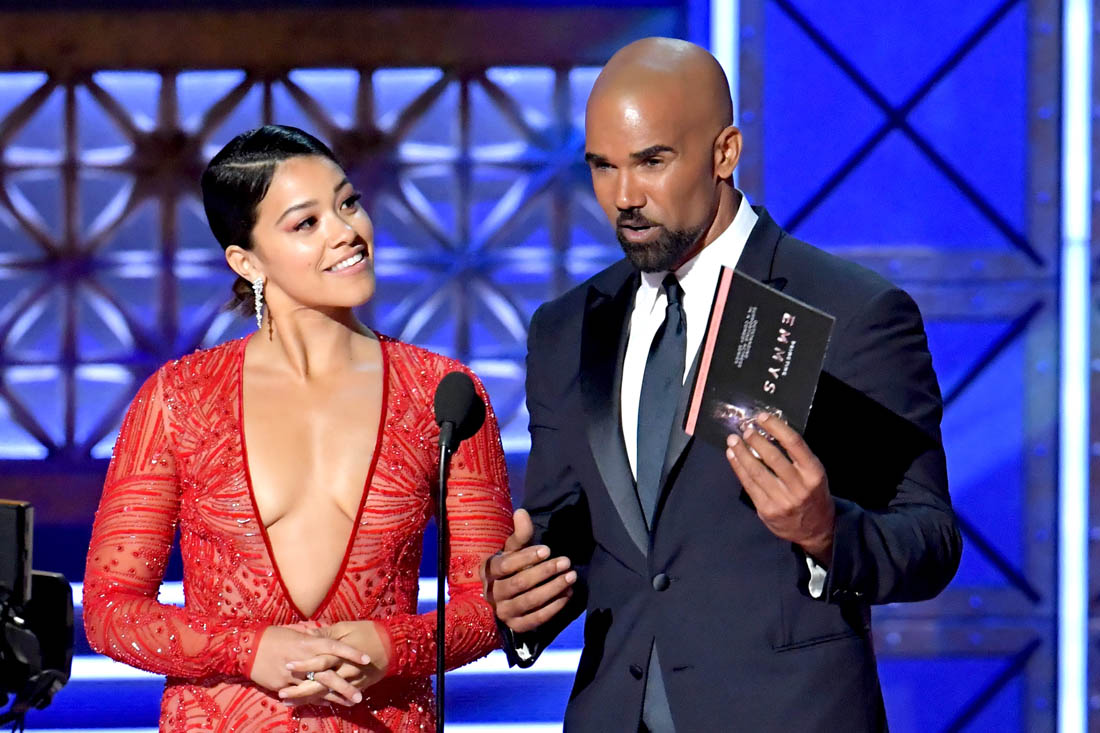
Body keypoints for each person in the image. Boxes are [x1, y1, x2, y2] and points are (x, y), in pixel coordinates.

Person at [483, 37, 962, 731]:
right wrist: (527, 591)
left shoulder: (849, 311)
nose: (624, 197)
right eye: (602, 166)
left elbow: (929, 539)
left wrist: (826, 532)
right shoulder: (565, 329)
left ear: (725, 153)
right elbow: (575, 532)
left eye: (651, 161)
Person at [83, 125, 513, 731]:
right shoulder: (179, 398)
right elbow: (109, 610)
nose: (346, 232)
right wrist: (247, 649)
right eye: (306, 223)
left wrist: (390, 647)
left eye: (348, 203)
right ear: (247, 261)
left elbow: (493, 605)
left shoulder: (441, 393)